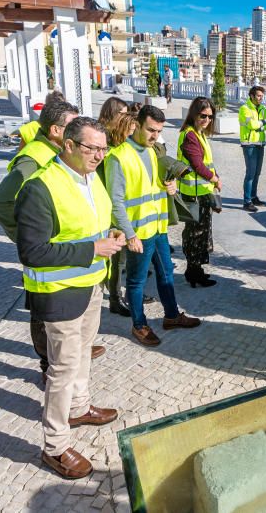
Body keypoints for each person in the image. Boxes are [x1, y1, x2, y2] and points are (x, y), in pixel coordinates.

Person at [14, 117, 125, 479]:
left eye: (103, 148)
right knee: (60, 370)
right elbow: (33, 252)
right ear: (69, 145)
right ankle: (55, 446)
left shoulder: (91, 178)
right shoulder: (40, 187)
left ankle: (79, 407)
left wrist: (107, 234)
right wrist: (93, 247)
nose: (99, 155)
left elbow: (88, 223)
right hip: (58, 292)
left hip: (91, 284)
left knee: (83, 354)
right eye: (92, 148)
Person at [0, 100, 106, 382]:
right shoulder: (34, 159)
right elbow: (1, 204)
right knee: (49, 333)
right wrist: (29, 235)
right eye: (71, 127)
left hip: (75, 267)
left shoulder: (72, 159)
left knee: (71, 346)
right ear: (56, 131)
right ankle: (48, 366)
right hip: (51, 269)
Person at [104, 105, 202, 348]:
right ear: (136, 124)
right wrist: (129, 234)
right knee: (136, 282)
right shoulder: (118, 157)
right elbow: (114, 202)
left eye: (158, 131)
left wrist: (169, 188)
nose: (154, 136)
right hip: (138, 232)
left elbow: (152, 186)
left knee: (166, 273)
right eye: (150, 130)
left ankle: (171, 317)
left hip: (157, 229)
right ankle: (139, 325)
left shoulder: (150, 152)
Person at [98, 97, 138, 317]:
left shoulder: (121, 139)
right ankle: (115, 298)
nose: (125, 117)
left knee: (124, 256)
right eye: (121, 113)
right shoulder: (105, 142)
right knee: (116, 258)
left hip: (123, 205)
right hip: (109, 207)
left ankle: (127, 293)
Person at [177, 97, 221, 287]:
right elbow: (197, 164)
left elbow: (207, 162)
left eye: (210, 117)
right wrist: (214, 179)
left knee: (200, 234)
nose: (207, 120)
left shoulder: (199, 134)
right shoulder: (190, 135)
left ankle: (196, 271)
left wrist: (215, 176)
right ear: (194, 114)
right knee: (195, 234)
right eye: (203, 116)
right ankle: (193, 272)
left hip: (201, 192)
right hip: (193, 194)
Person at [238, 85, 266, 212]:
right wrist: (262, 123)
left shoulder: (262, 109)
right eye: (258, 96)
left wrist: (261, 125)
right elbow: (251, 125)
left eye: (262, 96)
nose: (261, 98)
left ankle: (253, 196)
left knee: (257, 173)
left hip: (260, 143)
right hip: (249, 144)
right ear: (251, 96)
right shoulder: (244, 108)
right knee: (250, 173)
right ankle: (247, 201)